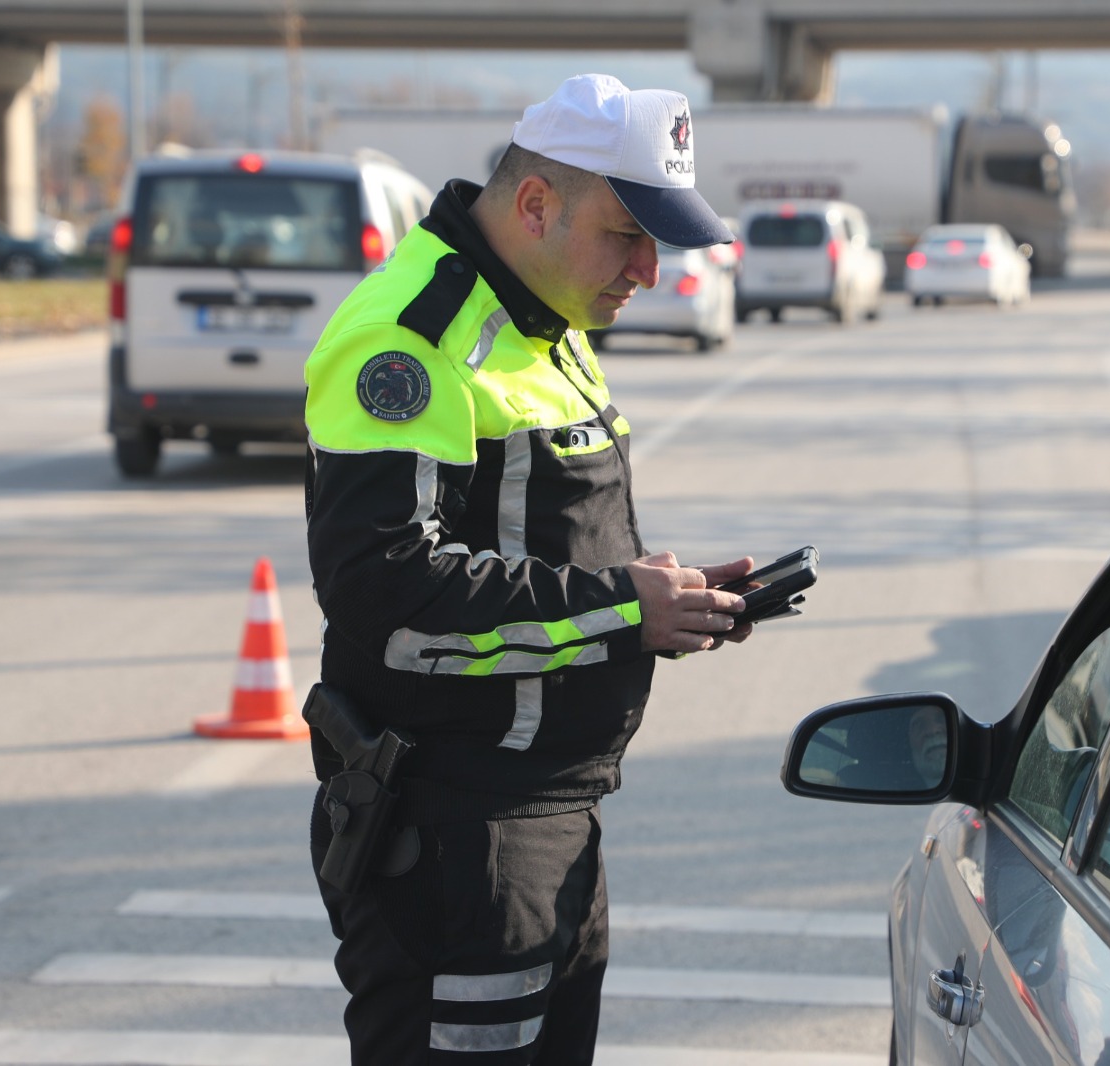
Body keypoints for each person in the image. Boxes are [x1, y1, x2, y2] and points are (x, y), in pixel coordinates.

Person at [302, 73, 754, 1065]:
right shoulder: (413, 336)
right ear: (536, 204)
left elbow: (548, 554)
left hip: (547, 820)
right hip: (458, 836)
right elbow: (388, 597)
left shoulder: (548, 322)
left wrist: (664, 604)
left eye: (659, 242)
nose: (647, 268)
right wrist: (618, 611)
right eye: (625, 233)